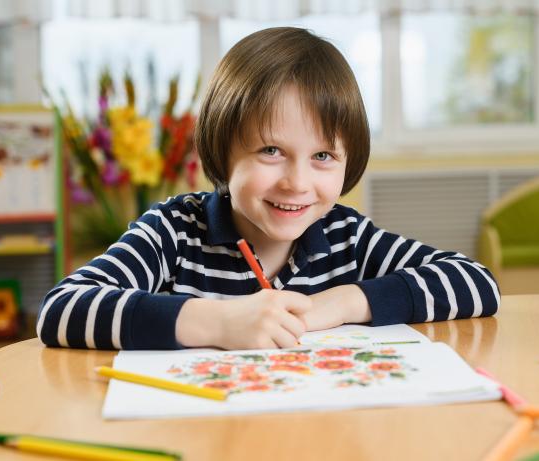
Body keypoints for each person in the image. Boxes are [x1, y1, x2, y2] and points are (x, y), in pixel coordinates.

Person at [37, 27, 500, 351]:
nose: (297, 183)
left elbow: (477, 283)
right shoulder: (174, 232)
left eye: (323, 157)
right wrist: (217, 321)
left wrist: (337, 304)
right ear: (222, 149)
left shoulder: (346, 236)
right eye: (271, 151)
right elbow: (61, 310)